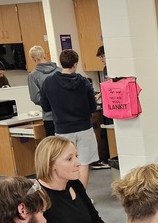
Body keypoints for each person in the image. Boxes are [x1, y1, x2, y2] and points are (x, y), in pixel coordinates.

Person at [33, 136, 108, 223]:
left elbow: (95, 219)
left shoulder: (74, 184)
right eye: (69, 159)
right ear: (51, 164)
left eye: (76, 156)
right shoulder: (36, 196)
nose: (78, 163)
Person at [39, 49, 97, 187]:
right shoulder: (84, 82)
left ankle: (70, 196)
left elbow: (45, 107)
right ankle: (83, 199)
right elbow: (93, 107)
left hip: (63, 130)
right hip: (84, 128)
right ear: (75, 64)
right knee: (83, 163)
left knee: (65, 163)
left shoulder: (48, 82)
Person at [27, 45, 60, 137]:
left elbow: (36, 98)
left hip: (50, 117)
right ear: (44, 55)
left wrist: (49, 104)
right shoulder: (60, 71)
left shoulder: (33, 76)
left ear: (33, 59)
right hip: (66, 115)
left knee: (54, 147)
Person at [88, 45, 111, 170]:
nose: (101, 59)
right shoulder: (105, 69)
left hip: (112, 106)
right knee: (104, 133)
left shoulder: (112, 67)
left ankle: (108, 157)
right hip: (106, 105)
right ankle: (106, 157)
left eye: (103, 56)